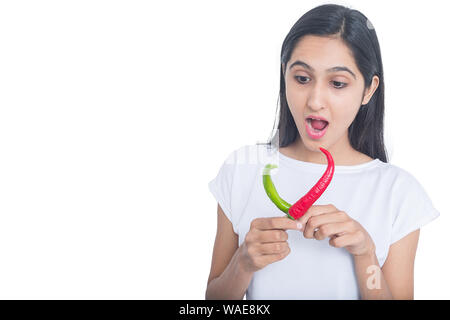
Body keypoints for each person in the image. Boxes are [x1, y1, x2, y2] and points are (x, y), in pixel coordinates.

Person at [205, 4, 440, 300]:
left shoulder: (399, 192)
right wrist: (242, 264)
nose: (315, 101)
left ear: (368, 90)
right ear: (284, 75)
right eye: (302, 78)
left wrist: (365, 254)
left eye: (338, 83)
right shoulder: (242, 169)